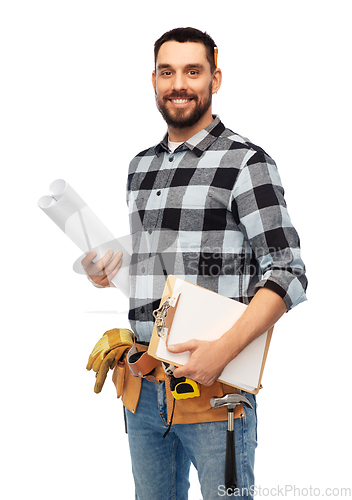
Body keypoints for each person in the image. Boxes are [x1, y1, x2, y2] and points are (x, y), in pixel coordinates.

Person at [83, 27, 307, 500]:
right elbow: (166, 263)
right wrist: (111, 269)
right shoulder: (140, 166)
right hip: (141, 389)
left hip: (216, 391)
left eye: (193, 71)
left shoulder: (247, 162)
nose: (178, 83)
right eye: (168, 72)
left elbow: (287, 272)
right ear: (154, 80)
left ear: (215, 79)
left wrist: (222, 351)